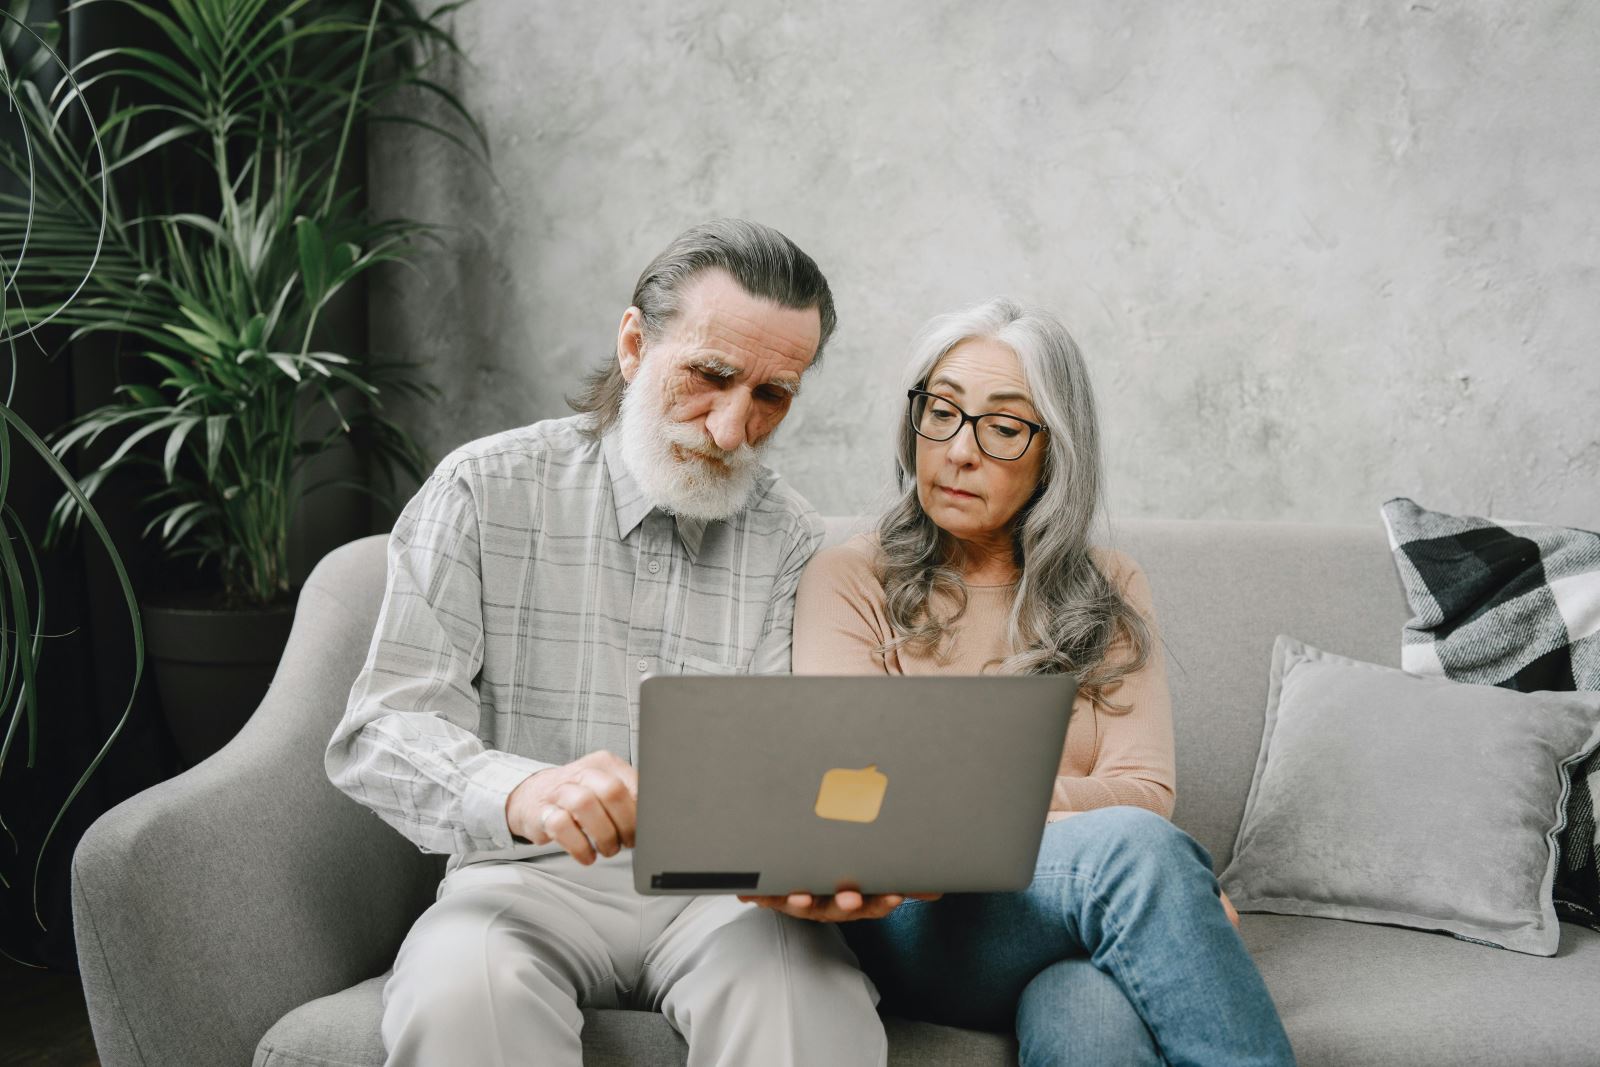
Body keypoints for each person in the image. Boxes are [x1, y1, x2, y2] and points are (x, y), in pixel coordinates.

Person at [326, 219, 887, 1067]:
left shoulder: (796, 538)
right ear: (634, 344)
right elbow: (380, 732)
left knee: (812, 1008)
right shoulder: (485, 487)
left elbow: (802, 770)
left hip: (728, 901)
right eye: (710, 375)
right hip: (518, 879)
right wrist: (526, 790)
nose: (734, 428)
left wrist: (838, 856)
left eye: (772, 395)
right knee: (458, 998)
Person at [776, 298, 1297, 1066]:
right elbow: (864, 797)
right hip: (917, 923)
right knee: (1140, 855)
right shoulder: (849, 576)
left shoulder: (1109, 584)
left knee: (1088, 1015)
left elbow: (1146, 788)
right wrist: (1144, 869)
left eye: (1004, 426)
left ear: (1056, 451)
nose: (959, 450)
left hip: (1059, 930)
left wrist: (1013, 817)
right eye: (942, 412)